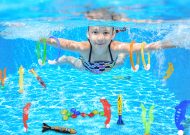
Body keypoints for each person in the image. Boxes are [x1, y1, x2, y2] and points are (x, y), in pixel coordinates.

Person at [38, 26, 176, 74]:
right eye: (95, 32)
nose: (100, 38)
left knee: (122, 57)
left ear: (113, 35)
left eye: (105, 33)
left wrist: (177, 41)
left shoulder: (114, 46)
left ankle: (122, 54)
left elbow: (147, 47)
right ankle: (56, 62)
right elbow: (62, 43)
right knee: (68, 59)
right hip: (86, 67)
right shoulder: (83, 47)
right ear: (88, 34)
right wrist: (40, 37)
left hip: (110, 66)